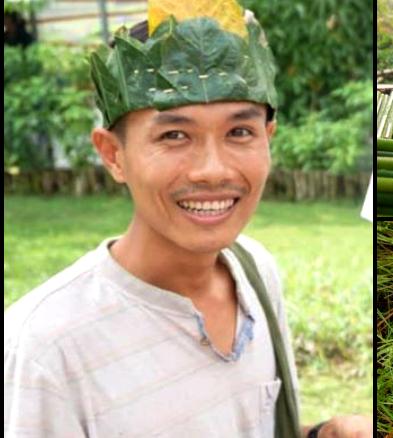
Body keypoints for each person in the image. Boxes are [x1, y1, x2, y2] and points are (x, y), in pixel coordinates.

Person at [3, 1, 372, 437]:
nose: (213, 170)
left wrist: (318, 434)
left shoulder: (254, 271)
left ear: (267, 139)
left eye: (239, 132)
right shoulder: (46, 349)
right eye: (174, 135)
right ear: (113, 155)